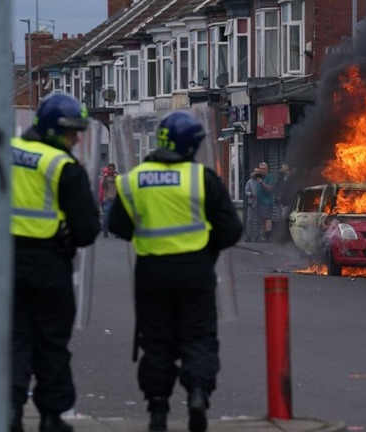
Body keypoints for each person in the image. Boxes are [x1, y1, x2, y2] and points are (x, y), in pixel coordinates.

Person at [108, 110, 242, 432]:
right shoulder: (201, 179)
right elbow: (231, 229)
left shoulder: (133, 180)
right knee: (199, 336)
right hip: (195, 270)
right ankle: (197, 393)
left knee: (156, 340)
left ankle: (157, 406)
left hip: (152, 271)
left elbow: (116, 225)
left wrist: (147, 232)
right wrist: (206, 247)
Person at [10, 93, 100, 432]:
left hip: (4, 263)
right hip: (49, 264)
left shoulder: (4, 153)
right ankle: (50, 417)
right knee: (51, 343)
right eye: (71, 132)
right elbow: (88, 229)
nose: (76, 139)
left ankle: (8, 411)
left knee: (14, 340)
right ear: (52, 129)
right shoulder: (63, 166)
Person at [255, 161, 276, 242]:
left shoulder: (270, 177)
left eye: (263, 169)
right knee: (262, 219)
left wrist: (262, 183)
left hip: (266, 202)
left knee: (267, 218)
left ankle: (268, 237)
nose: (262, 170)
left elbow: (269, 189)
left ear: (267, 169)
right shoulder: (259, 176)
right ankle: (264, 236)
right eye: (260, 169)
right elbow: (251, 176)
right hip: (259, 202)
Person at [100, 163, 118, 238]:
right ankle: (105, 231)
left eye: (112, 169)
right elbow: (103, 186)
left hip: (116, 199)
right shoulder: (106, 177)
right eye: (109, 169)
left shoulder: (117, 177)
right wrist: (104, 178)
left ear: (114, 169)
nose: (111, 170)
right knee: (106, 216)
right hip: (108, 199)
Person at [243, 168, 261, 242]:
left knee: (258, 221)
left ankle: (257, 237)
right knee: (249, 221)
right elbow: (246, 191)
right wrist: (250, 194)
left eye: (258, 172)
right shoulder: (250, 182)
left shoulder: (260, 181)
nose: (256, 173)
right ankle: (249, 236)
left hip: (259, 204)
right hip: (251, 204)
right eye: (255, 172)